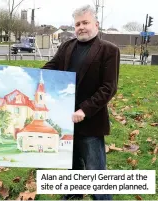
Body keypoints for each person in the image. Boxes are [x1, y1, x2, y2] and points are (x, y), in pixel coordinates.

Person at [42, 5, 120, 200]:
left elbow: (108, 88)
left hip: (90, 121)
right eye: (77, 24)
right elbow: (52, 67)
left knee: (95, 171)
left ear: (96, 24)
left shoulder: (109, 50)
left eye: (85, 22)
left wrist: (84, 110)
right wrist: (32, 76)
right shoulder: (67, 46)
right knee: (71, 164)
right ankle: (72, 194)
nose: (81, 27)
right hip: (66, 119)